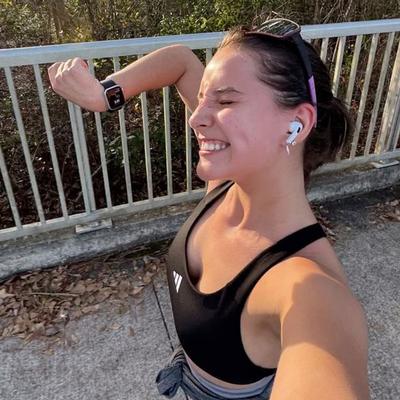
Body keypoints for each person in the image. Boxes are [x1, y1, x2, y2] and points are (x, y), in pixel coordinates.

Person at [48, 18, 370, 400]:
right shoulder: (226, 187)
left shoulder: (307, 286)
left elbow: (327, 348)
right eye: (202, 97)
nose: (196, 116)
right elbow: (181, 61)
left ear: (296, 124)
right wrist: (105, 94)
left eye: (226, 100)